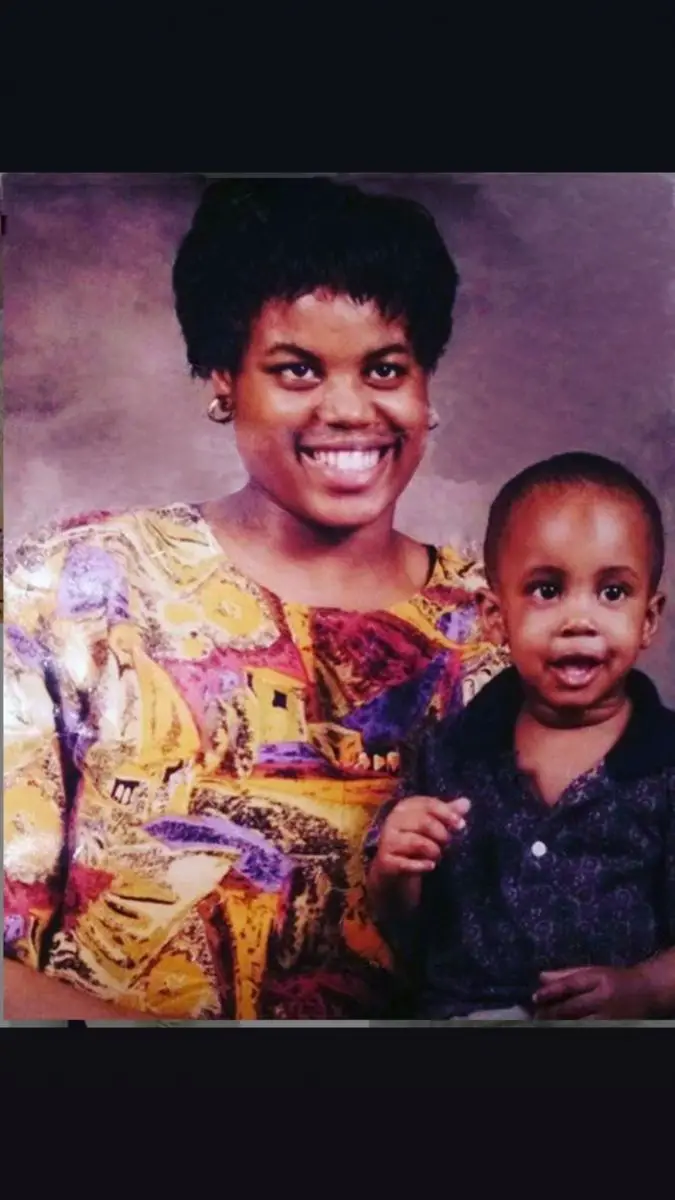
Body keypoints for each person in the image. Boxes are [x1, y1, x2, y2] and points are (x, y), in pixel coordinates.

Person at [3, 176, 505, 1021]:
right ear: (222, 379)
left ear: (425, 387)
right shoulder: (75, 594)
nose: (348, 409)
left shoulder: (500, 634)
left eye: (385, 367)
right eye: (296, 370)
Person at [367, 451, 675, 1020]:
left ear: (649, 620)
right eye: (546, 589)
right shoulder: (452, 751)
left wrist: (646, 988)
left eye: (612, 592)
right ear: (494, 615)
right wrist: (394, 868)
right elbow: (406, 925)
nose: (579, 619)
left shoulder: (665, 765)